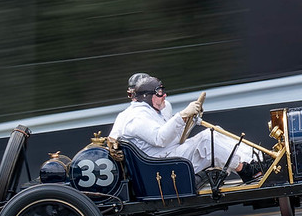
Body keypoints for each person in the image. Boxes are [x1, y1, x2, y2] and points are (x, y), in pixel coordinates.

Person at [111, 75, 262, 182]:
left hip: (169, 156)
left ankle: (257, 159)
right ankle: (245, 170)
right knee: (207, 141)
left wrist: (189, 120)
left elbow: (172, 135)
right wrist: (182, 116)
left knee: (214, 131)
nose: (164, 95)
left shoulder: (156, 110)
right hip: (161, 167)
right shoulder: (136, 117)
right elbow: (160, 138)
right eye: (159, 92)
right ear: (146, 96)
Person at [109, 72, 171, 139]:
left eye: (139, 94)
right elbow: (113, 141)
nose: (135, 98)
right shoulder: (124, 117)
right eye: (131, 94)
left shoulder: (165, 106)